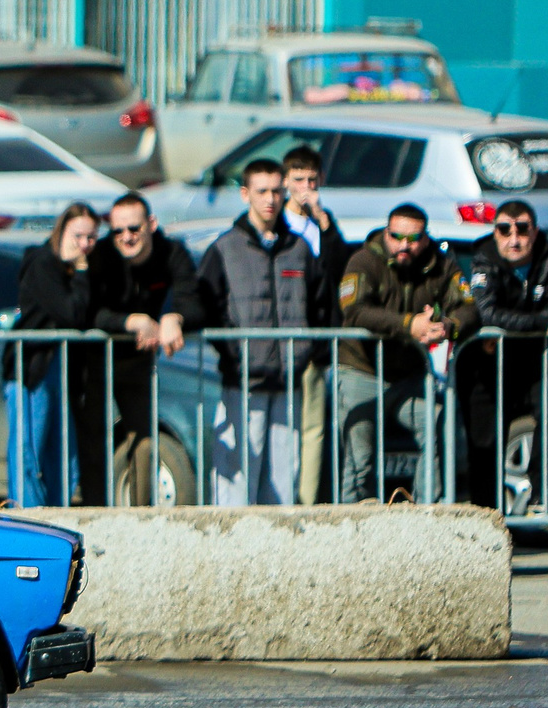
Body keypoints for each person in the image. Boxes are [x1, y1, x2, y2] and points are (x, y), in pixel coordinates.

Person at [188, 159, 323, 506]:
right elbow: (204, 303)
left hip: (288, 381)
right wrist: (233, 355)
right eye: (262, 191)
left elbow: (319, 306)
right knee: (235, 486)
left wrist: (305, 354)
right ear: (245, 194)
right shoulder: (225, 248)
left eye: (277, 191)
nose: (271, 200)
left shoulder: (299, 249)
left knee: (282, 487)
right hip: (243, 383)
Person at [332, 202, 471, 505]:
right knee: (359, 458)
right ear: (386, 232)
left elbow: (469, 308)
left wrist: (448, 325)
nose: (404, 245)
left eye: (413, 238)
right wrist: (409, 325)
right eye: (397, 237)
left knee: (435, 429)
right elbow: (354, 312)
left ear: (425, 237)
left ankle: (424, 515)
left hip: (410, 376)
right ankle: (353, 526)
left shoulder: (442, 263)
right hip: (361, 370)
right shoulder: (364, 260)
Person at [453, 200, 548, 517]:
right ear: (495, 232)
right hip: (485, 366)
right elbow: (487, 312)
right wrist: (539, 323)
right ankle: (485, 525)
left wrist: (521, 323)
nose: (514, 239)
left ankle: (543, 492)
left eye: (522, 229)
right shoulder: (484, 258)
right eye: (504, 229)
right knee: (486, 450)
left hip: (529, 361)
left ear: (534, 231)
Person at [82, 193, 192, 505]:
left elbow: (194, 298)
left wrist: (174, 317)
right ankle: (93, 513)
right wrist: (131, 321)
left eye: (134, 229)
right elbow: (87, 310)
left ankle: (141, 514)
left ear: (151, 224)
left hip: (138, 363)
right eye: (118, 231)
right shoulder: (101, 255)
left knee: (144, 441)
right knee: (93, 442)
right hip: (96, 363)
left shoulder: (171, 252)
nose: (126, 237)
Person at [7, 203, 96, 507]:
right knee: (29, 451)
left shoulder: (71, 270)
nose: (84, 245)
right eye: (78, 236)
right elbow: (72, 314)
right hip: (32, 367)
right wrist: (83, 272)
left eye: (91, 238)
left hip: (60, 368)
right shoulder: (42, 263)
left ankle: (57, 518)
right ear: (61, 232)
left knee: (62, 455)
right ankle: (30, 520)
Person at [280, 144, 349, 503]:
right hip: (281, 342)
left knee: (312, 429)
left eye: (312, 179)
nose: (306, 187)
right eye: (298, 179)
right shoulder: (277, 223)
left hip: (315, 344)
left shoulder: (323, 224)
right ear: (285, 182)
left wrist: (322, 219)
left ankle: (306, 503)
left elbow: (340, 270)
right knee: (282, 428)